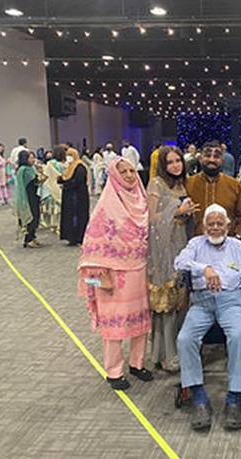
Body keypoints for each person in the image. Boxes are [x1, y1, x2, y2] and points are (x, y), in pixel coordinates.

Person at [175, 204, 241, 431]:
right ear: (204, 226)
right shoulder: (195, 244)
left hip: (230, 302)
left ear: (227, 226)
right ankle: (199, 397)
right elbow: (179, 262)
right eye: (211, 224)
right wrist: (205, 269)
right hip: (202, 303)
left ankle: (234, 397)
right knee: (185, 339)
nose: (215, 227)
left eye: (219, 223)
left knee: (238, 336)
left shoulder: (237, 246)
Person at [78, 158, 153, 391]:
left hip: (140, 270)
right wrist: (98, 276)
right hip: (112, 276)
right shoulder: (106, 205)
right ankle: (114, 371)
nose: (129, 175)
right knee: (114, 326)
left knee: (140, 322)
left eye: (132, 170)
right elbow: (91, 245)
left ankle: (137, 363)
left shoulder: (142, 200)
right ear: (114, 175)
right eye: (124, 172)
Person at [147, 147, 199, 372]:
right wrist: (177, 211)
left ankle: (179, 349)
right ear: (162, 165)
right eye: (170, 162)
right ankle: (165, 354)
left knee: (181, 299)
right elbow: (151, 219)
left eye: (178, 160)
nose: (176, 165)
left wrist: (188, 213)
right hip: (163, 249)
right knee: (165, 302)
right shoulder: (157, 184)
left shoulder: (181, 184)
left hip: (181, 243)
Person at [186, 140, 241, 238]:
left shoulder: (235, 186)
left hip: (227, 242)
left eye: (216, 156)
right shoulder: (187, 184)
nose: (212, 160)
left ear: (222, 160)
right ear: (200, 158)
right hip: (194, 242)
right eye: (208, 155)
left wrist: (238, 236)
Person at [58, 148, 90, 246]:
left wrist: (66, 184)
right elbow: (65, 178)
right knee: (70, 216)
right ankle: (71, 237)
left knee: (77, 216)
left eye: (70, 155)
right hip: (70, 197)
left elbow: (77, 181)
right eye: (67, 155)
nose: (68, 157)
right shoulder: (69, 167)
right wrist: (61, 180)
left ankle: (78, 237)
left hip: (78, 197)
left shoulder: (80, 167)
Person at [14, 151, 44, 248]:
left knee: (35, 216)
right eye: (31, 158)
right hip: (29, 196)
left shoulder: (25, 169)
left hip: (32, 195)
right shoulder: (26, 170)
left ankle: (31, 237)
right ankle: (29, 239)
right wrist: (40, 174)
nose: (33, 160)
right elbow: (35, 181)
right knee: (32, 217)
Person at [41, 145, 66, 232]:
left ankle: (53, 225)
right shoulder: (66, 164)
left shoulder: (50, 164)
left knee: (54, 209)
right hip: (62, 187)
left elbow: (46, 175)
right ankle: (60, 225)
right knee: (61, 208)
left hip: (52, 187)